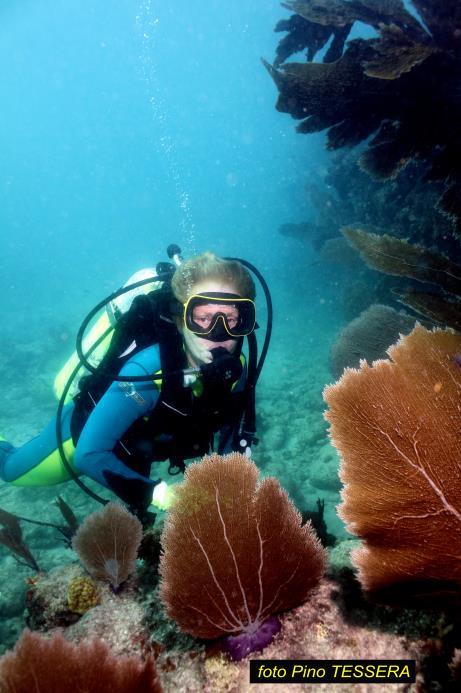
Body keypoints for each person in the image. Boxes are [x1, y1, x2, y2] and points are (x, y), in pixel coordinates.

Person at [0, 251, 260, 516]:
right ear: (182, 321)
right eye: (203, 318)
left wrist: (229, 492)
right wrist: (160, 496)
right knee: (10, 470)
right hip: (82, 436)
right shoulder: (149, 370)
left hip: (142, 449)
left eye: (230, 319)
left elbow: (233, 438)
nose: (218, 335)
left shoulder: (237, 369)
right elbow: (89, 455)